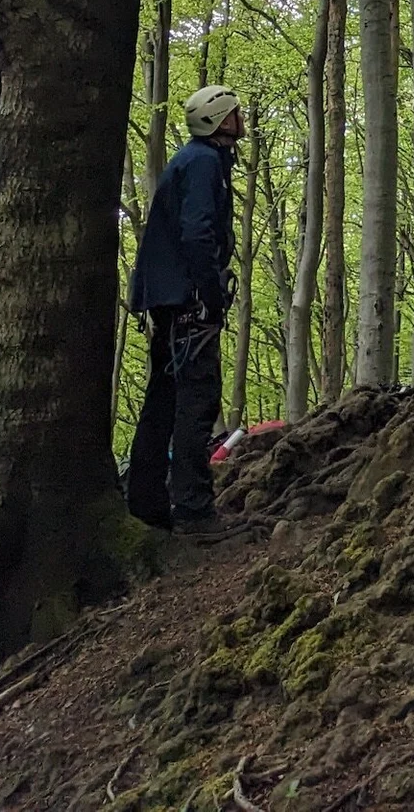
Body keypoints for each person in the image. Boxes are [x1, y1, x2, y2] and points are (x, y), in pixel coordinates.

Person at [127, 84, 243, 539]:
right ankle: (193, 509)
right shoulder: (203, 163)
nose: (240, 118)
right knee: (196, 400)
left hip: (170, 300)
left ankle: (147, 505)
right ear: (221, 121)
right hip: (187, 303)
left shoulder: (196, 160)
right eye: (234, 113)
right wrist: (209, 294)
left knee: (164, 400)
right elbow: (197, 232)